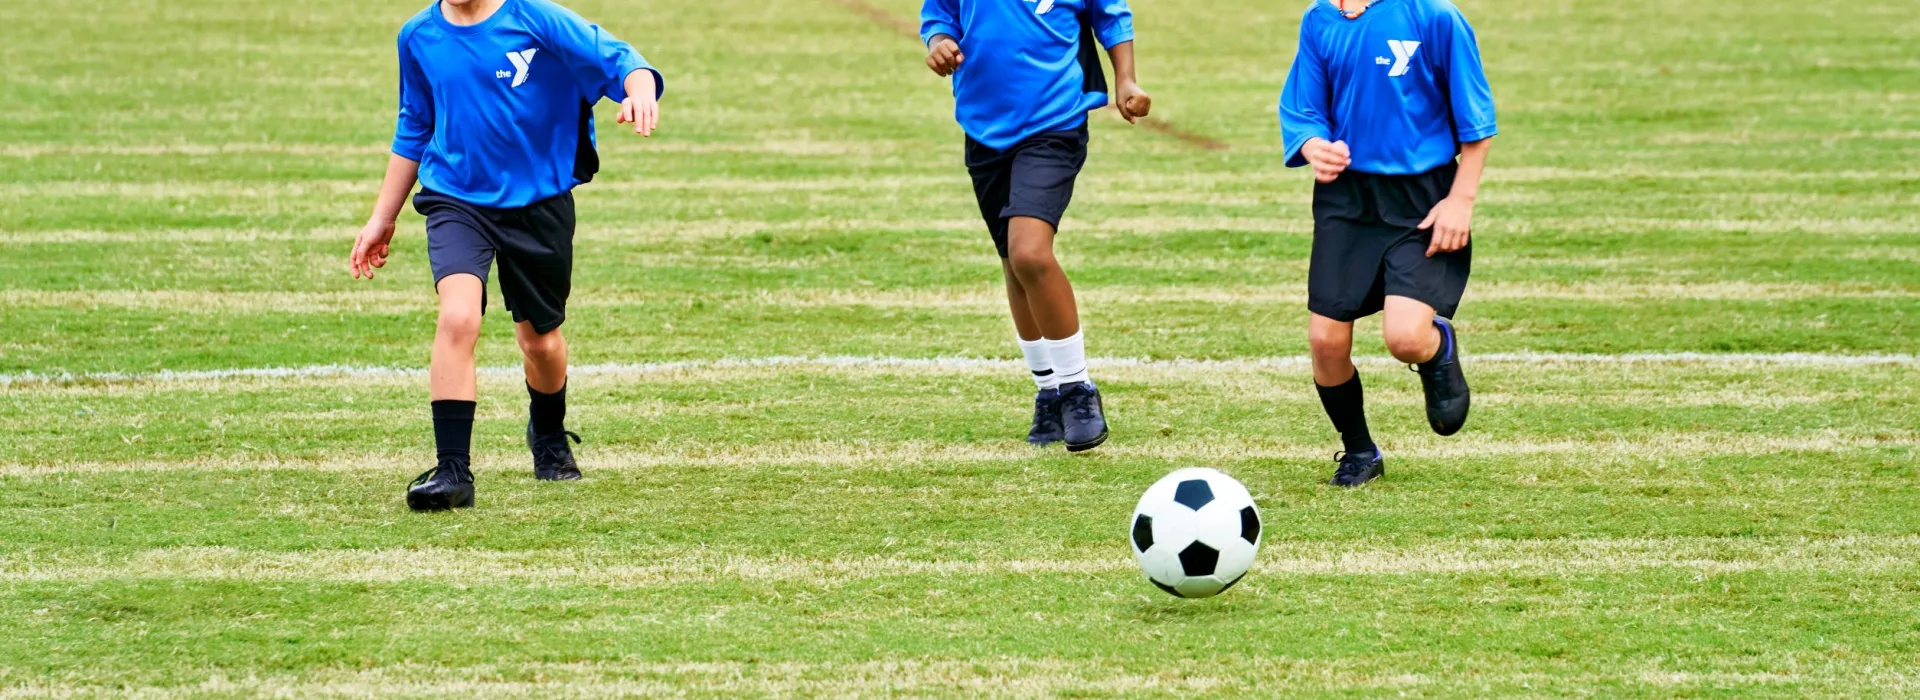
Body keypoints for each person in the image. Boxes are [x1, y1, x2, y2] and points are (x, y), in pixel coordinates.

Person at [347, 0, 663, 511]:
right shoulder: (418, 36)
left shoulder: (536, 18)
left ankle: (549, 435)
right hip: (456, 199)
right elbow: (414, 124)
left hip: (538, 204)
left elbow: (622, 60)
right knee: (457, 317)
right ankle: (452, 471)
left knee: (540, 341)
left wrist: (640, 91)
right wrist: (383, 217)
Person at [1278, 0, 1496, 486]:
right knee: (1325, 341)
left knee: (1405, 338)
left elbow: (1477, 124)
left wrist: (1461, 201)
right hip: (1347, 200)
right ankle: (1360, 453)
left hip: (1423, 198)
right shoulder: (1320, 20)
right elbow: (1304, 110)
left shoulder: (1434, 17)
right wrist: (1315, 146)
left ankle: (1436, 350)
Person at [920, 0, 1151, 452]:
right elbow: (939, 14)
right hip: (983, 124)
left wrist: (1125, 78)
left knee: (1029, 252)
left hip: (1054, 120)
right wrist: (940, 42)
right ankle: (1047, 392)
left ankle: (1077, 389)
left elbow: (1111, 13)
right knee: (1012, 259)